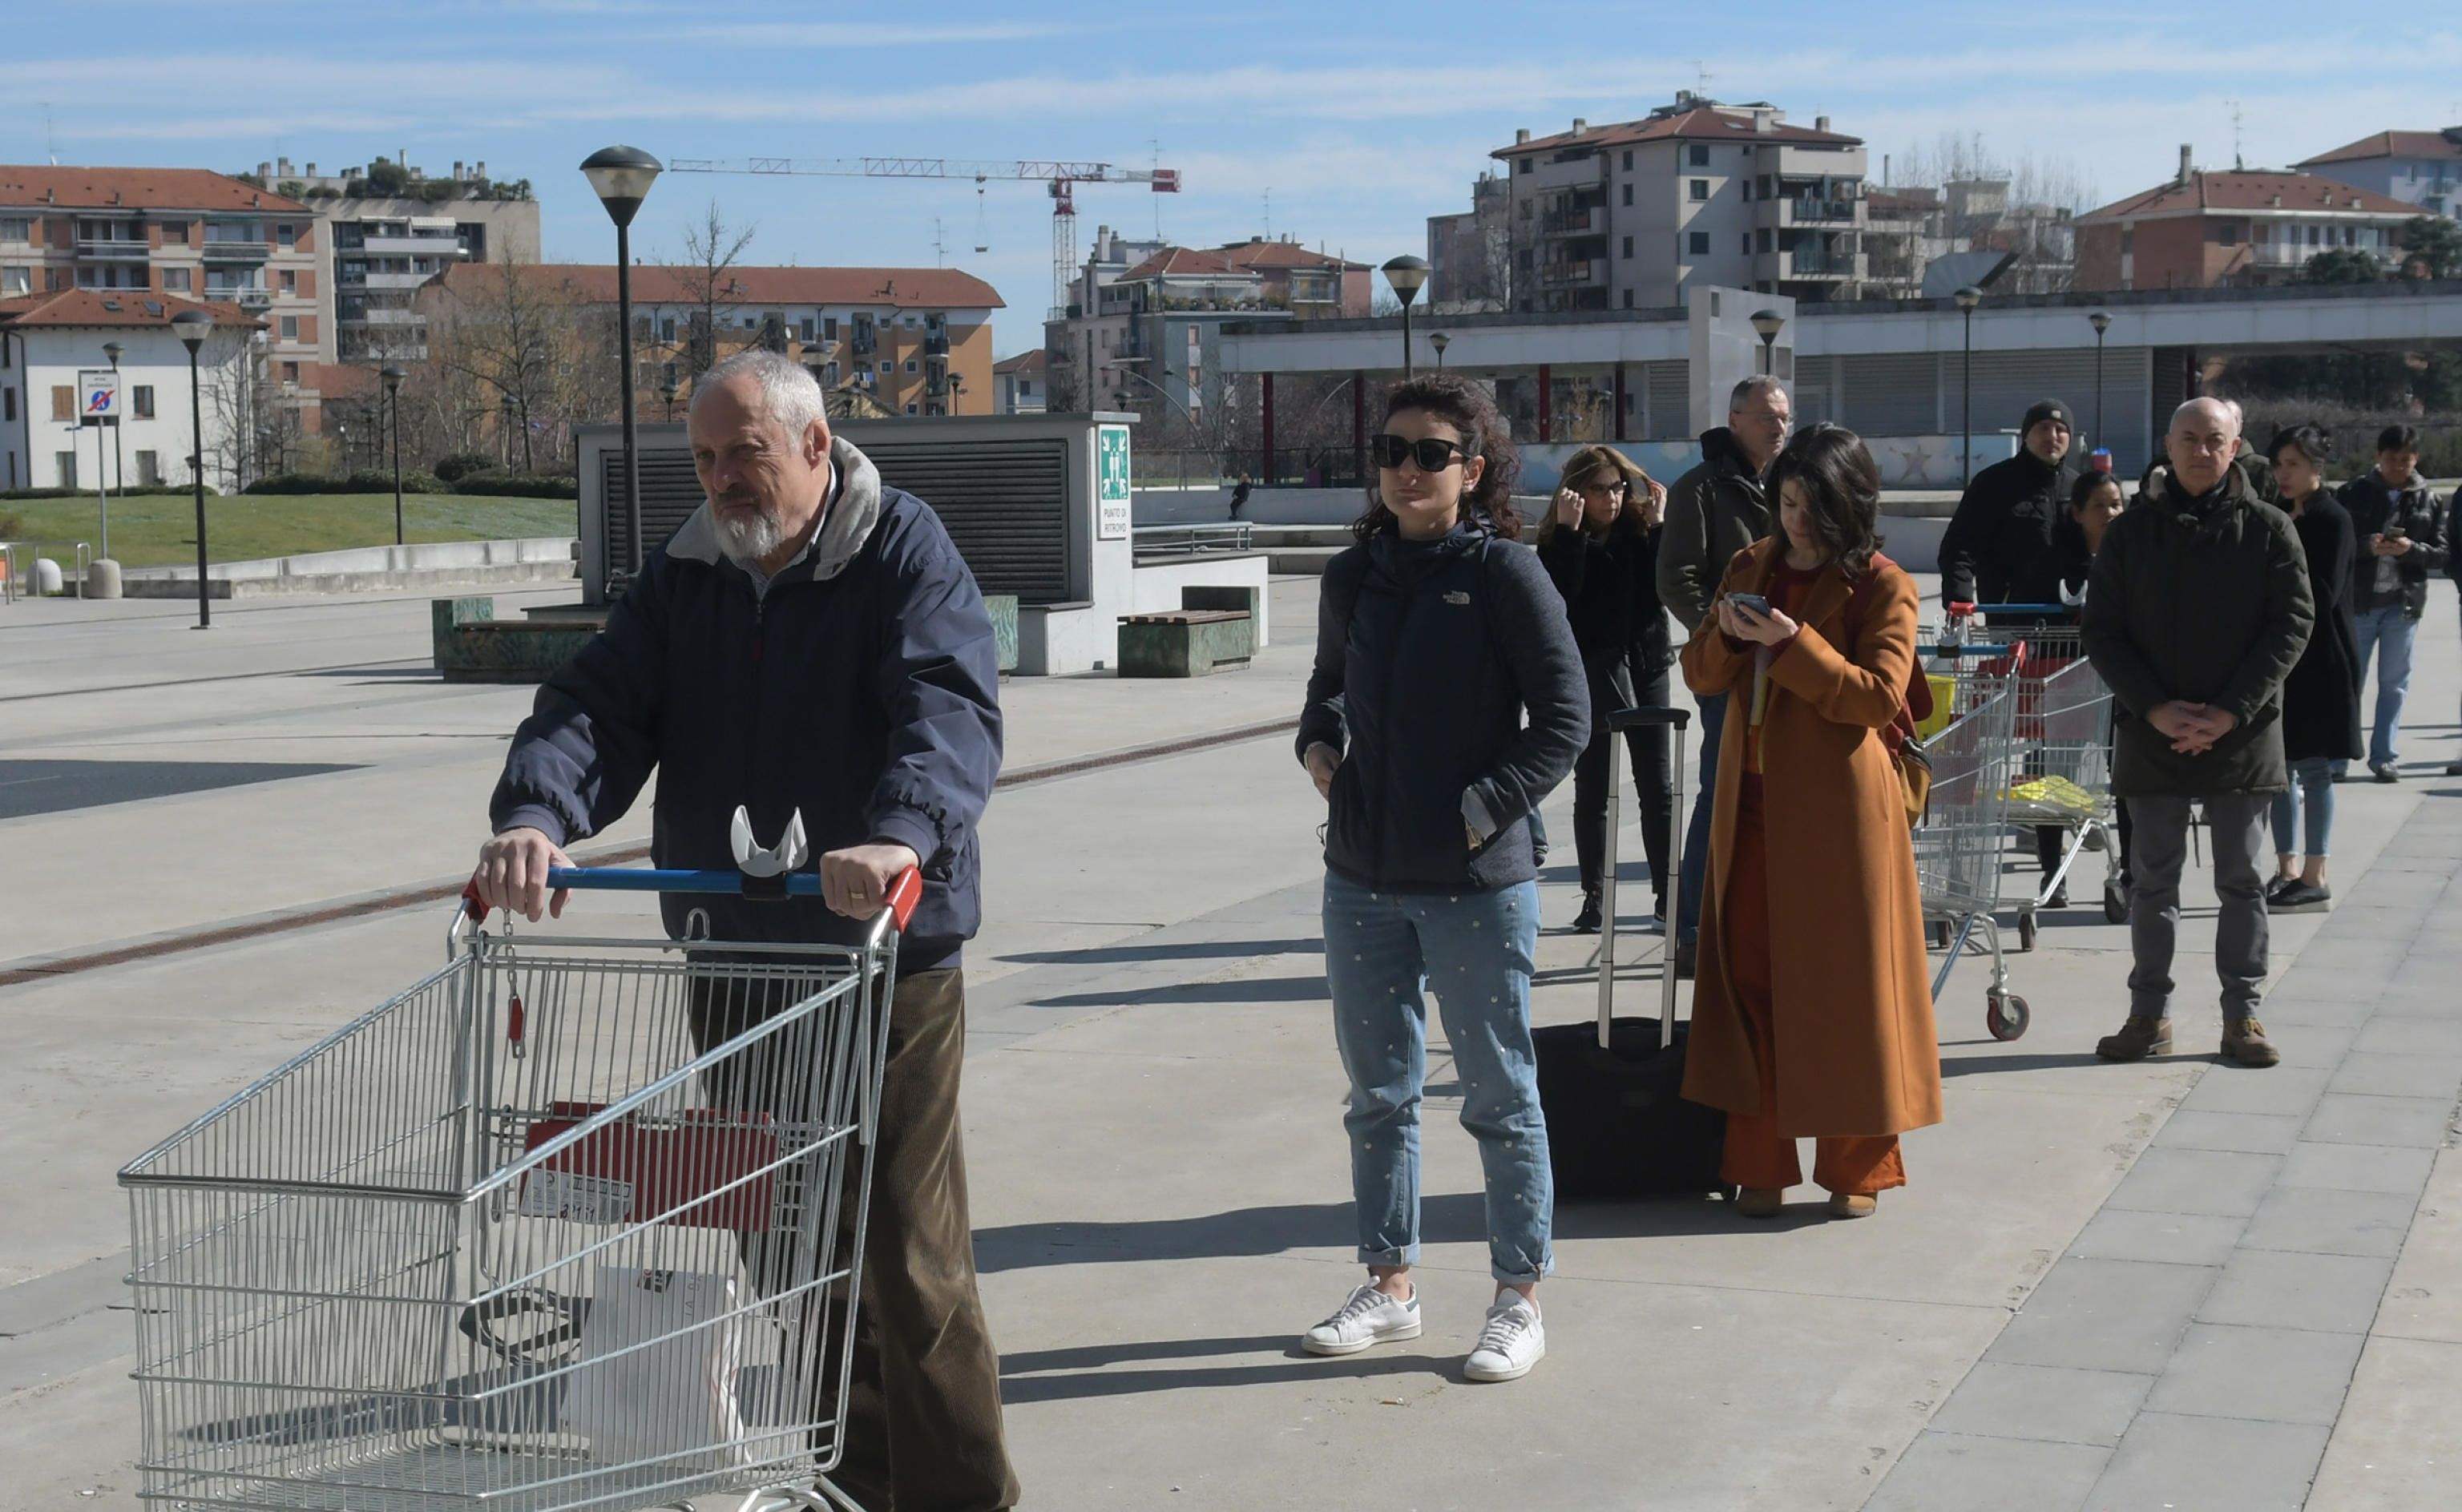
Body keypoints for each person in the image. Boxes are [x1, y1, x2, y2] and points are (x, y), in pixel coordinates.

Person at [471, 349, 1019, 1510]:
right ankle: (856, 1479)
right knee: (787, 1246)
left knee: (907, 1258)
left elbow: (949, 706)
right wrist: (536, 812)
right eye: (707, 458)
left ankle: (962, 1496)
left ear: (815, 447)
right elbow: (595, 707)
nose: (723, 480)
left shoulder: (904, 552)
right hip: (736, 954)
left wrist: (900, 833)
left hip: (885, 960)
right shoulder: (688, 574)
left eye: (746, 453)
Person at [1296, 373, 1587, 1385]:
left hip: (1474, 883)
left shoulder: (1508, 575)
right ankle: (1390, 1285)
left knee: (1500, 1097)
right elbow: (1325, 688)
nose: (1406, 470)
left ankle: (1519, 1297)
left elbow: (1565, 718)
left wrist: (1482, 806)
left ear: (1474, 469)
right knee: (1378, 1095)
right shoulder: (1353, 576)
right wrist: (1317, 744)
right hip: (1362, 878)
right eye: (1392, 451)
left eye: (1430, 453)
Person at [1678, 423, 1941, 1220]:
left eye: (1812, 504)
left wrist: (1794, 645)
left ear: (1850, 504)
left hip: (1841, 820)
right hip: (1749, 809)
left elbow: (1874, 697)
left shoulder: (1884, 584)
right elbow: (1697, 670)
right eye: (1787, 500)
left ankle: (1856, 1167)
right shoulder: (1748, 565)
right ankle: (1759, 1163)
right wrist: (1726, 632)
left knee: (1845, 994)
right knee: (1748, 983)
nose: (1795, 519)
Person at [2083, 397, 2312, 1070]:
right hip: (2153, 734)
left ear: (2236, 445)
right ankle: (2148, 1015)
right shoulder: (2130, 534)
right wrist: (2154, 708)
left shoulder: (2268, 530)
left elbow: (2291, 626)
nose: (2201, 451)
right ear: (2168, 443)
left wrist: (2230, 711)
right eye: (2189, 439)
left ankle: (2244, 1015)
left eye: (2215, 439)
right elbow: (2104, 631)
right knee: (2151, 882)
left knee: (2241, 880)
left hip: (2242, 735)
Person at [1657, 374, 1792, 974]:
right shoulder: (1700, 490)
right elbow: (1676, 577)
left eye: (1784, 417)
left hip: (1790, 663)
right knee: (1720, 793)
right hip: (1733, 671)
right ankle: (1690, 928)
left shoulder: (1794, 486)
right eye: (1767, 417)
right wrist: (1722, 632)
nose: (1778, 428)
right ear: (1735, 420)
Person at [1939, 397, 2084, 902]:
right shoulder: (1996, 484)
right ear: (2025, 435)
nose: (2053, 437)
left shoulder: (2078, 489)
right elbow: (1959, 547)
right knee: (2014, 743)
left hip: (2070, 638)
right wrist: (1961, 598)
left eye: (2062, 430)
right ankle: (2038, 863)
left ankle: (2054, 863)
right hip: (2013, 634)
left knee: (2059, 753)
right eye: (2043, 428)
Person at [1538, 445, 1675, 932]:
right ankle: (1594, 897)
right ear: (1576, 491)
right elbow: (1556, 601)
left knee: (1657, 787)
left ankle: (1666, 895)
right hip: (1591, 675)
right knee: (1592, 790)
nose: (1612, 498)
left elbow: (1663, 591)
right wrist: (1572, 535)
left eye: (1618, 486)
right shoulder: (1559, 539)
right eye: (1599, 489)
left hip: (1646, 667)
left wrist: (1659, 526)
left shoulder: (1639, 531)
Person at [2263, 425, 2361, 912]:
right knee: (2279, 771)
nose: (2283, 474)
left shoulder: (2333, 519)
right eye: (2279, 465)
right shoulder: (2277, 515)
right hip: (2281, 658)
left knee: (2315, 770)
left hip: (2322, 659)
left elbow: (2322, 594)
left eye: (2293, 465)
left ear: (2317, 468)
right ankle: (2286, 866)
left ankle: (2315, 871)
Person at [2335, 425, 2451, 782]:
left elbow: (2442, 553)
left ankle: (2384, 756)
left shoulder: (2426, 498)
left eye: (2405, 460)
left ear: (2415, 459)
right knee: (2349, 680)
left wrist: (2411, 550)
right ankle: (2338, 756)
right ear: (2378, 458)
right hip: (2361, 604)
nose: (2398, 467)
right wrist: (2368, 546)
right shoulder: (2355, 493)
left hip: (2403, 605)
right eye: (2391, 460)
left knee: (2394, 684)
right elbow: (2337, 542)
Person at [2061, 469, 2136, 912]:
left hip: (2120, 687)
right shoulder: (2062, 565)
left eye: (2116, 504)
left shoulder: (2135, 557)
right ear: (2077, 514)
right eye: (2099, 506)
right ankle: (2055, 872)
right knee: (2053, 776)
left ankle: (2130, 870)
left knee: (2124, 778)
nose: (2110, 513)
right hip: (2069, 683)